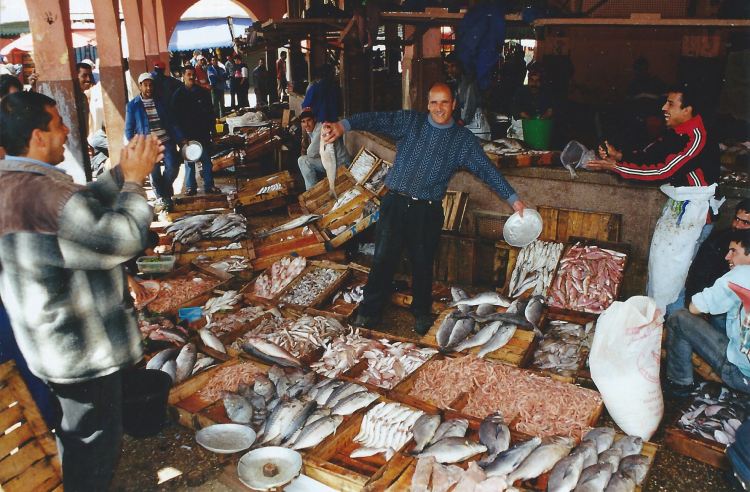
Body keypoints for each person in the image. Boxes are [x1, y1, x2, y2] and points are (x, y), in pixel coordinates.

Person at [0, 90, 162, 491]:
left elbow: (80, 208)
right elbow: (123, 239)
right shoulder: (49, 195)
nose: (68, 130)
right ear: (38, 137)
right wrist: (137, 183)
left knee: (74, 437)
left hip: (48, 346)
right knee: (92, 450)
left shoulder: (12, 183)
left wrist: (120, 174)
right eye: (59, 125)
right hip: (82, 352)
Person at [323, 83, 528, 334]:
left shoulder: (463, 140)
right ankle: (368, 313)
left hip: (427, 210)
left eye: (444, 102)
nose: (438, 108)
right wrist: (343, 125)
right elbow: (375, 119)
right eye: (433, 102)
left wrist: (514, 200)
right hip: (395, 203)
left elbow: (487, 170)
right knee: (383, 259)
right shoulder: (410, 121)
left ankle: (421, 313)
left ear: (454, 104)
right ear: (427, 104)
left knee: (423, 265)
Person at [586, 84, 720, 314]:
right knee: (662, 272)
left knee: (677, 279)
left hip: (696, 215)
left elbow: (663, 171)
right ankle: (657, 326)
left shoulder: (697, 138)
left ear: (687, 109)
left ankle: (670, 330)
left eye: (670, 104)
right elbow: (650, 155)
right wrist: (619, 156)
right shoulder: (673, 133)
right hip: (679, 210)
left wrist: (617, 167)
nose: (663, 108)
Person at [665, 228, 750, 396]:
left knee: (678, 318)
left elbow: (694, 307)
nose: (727, 257)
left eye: (734, 251)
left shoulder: (741, 274)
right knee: (722, 314)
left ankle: (680, 385)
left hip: (742, 376)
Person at [125, 72, 186, 212]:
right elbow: (129, 130)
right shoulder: (132, 106)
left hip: (165, 141)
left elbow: (172, 122)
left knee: (173, 167)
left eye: (151, 85)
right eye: (145, 85)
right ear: (140, 86)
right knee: (154, 173)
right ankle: (163, 199)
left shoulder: (162, 101)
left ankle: (164, 192)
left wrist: (182, 138)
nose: (148, 88)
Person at [683, 199, 750, 322]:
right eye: (736, 219)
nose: (738, 225)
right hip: (715, 307)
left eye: (745, 222)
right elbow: (697, 278)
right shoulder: (718, 241)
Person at [172, 65, 220, 195]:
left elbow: (210, 113)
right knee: (189, 163)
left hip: (202, 134)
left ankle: (209, 185)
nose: (192, 77)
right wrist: (181, 137)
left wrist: (213, 132)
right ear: (183, 76)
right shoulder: (178, 95)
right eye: (188, 74)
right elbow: (174, 119)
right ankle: (191, 187)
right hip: (186, 136)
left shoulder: (202, 93)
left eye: (193, 74)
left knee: (206, 161)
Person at [297, 107, 351, 190]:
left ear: (314, 119)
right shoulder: (314, 130)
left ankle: (311, 191)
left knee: (303, 160)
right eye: (303, 122)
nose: (306, 124)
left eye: (308, 120)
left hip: (341, 164)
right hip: (335, 161)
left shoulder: (321, 130)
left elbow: (311, 153)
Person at [444, 52, 490, 140]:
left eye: (453, 66)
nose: (450, 70)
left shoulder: (468, 82)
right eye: (447, 67)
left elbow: (469, 105)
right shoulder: (457, 82)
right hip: (468, 125)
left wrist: (461, 122)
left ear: (460, 66)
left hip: (477, 126)